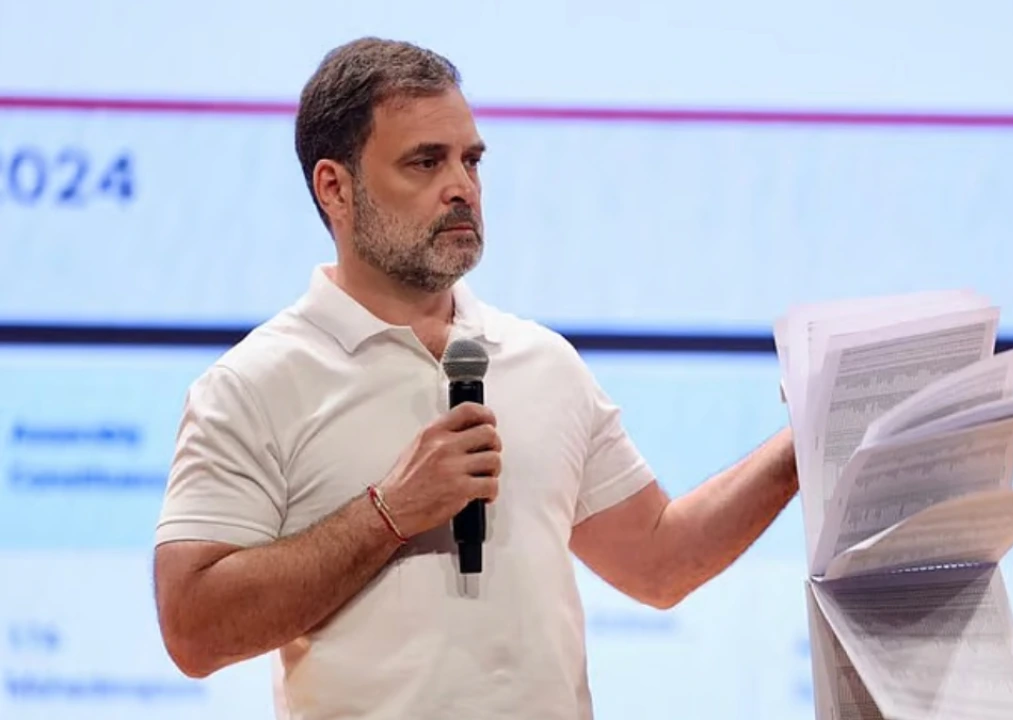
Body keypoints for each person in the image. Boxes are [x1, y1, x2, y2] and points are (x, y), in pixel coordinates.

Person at [152, 36, 799, 720]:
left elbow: (660, 562)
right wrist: (388, 514)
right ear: (335, 188)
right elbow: (194, 630)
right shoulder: (254, 384)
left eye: (471, 160)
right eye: (425, 162)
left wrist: (805, 444)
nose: (461, 186)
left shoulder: (542, 361)